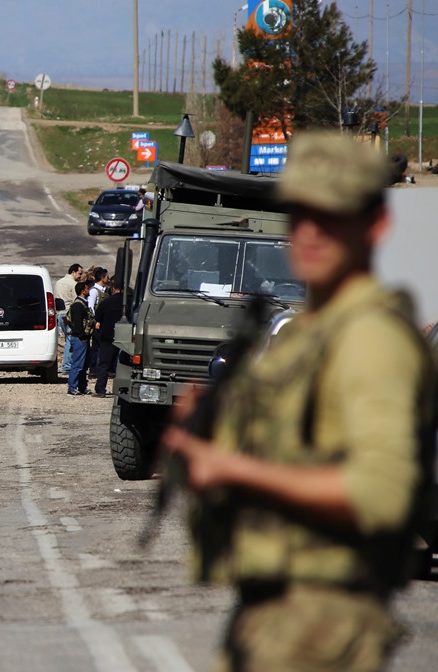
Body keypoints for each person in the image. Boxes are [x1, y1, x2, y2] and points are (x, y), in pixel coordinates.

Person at [160, 131, 436, 672]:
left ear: (375, 225)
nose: (309, 232)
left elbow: (381, 493)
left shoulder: (369, 338)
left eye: (331, 216)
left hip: (324, 620)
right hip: (276, 611)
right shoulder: (310, 332)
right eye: (298, 214)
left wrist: (237, 471)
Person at [92, 275, 124, 397]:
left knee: (104, 364)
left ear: (114, 288)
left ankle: (100, 389)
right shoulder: (130, 302)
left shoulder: (107, 302)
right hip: (125, 338)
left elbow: (98, 317)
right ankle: (121, 390)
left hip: (108, 337)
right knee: (121, 366)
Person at [55, 263, 85, 375]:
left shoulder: (58, 282)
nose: (80, 276)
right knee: (70, 340)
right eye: (79, 273)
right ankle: (67, 366)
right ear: (73, 272)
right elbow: (76, 300)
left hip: (60, 313)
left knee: (68, 338)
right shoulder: (73, 284)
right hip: (69, 314)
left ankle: (67, 365)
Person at [66, 281, 95, 396]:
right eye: (87, 289)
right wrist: (82, 336)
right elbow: (77, 323)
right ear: (83, 291)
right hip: (79, 339)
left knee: (84, 365)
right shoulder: (78, 305)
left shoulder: (83, 303)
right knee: (78, 364)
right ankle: (72, 387)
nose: (89, 291)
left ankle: (82, 387)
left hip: (84, 339)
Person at [87, 266, 110, 376]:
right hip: (98, 323)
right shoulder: (94, 292)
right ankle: (93, 369)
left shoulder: (104, 291)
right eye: (107, 277)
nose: (108, 279)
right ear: (102, 278)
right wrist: (94, 321)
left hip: (105, 323)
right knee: (96, 347)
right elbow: (90, 307)